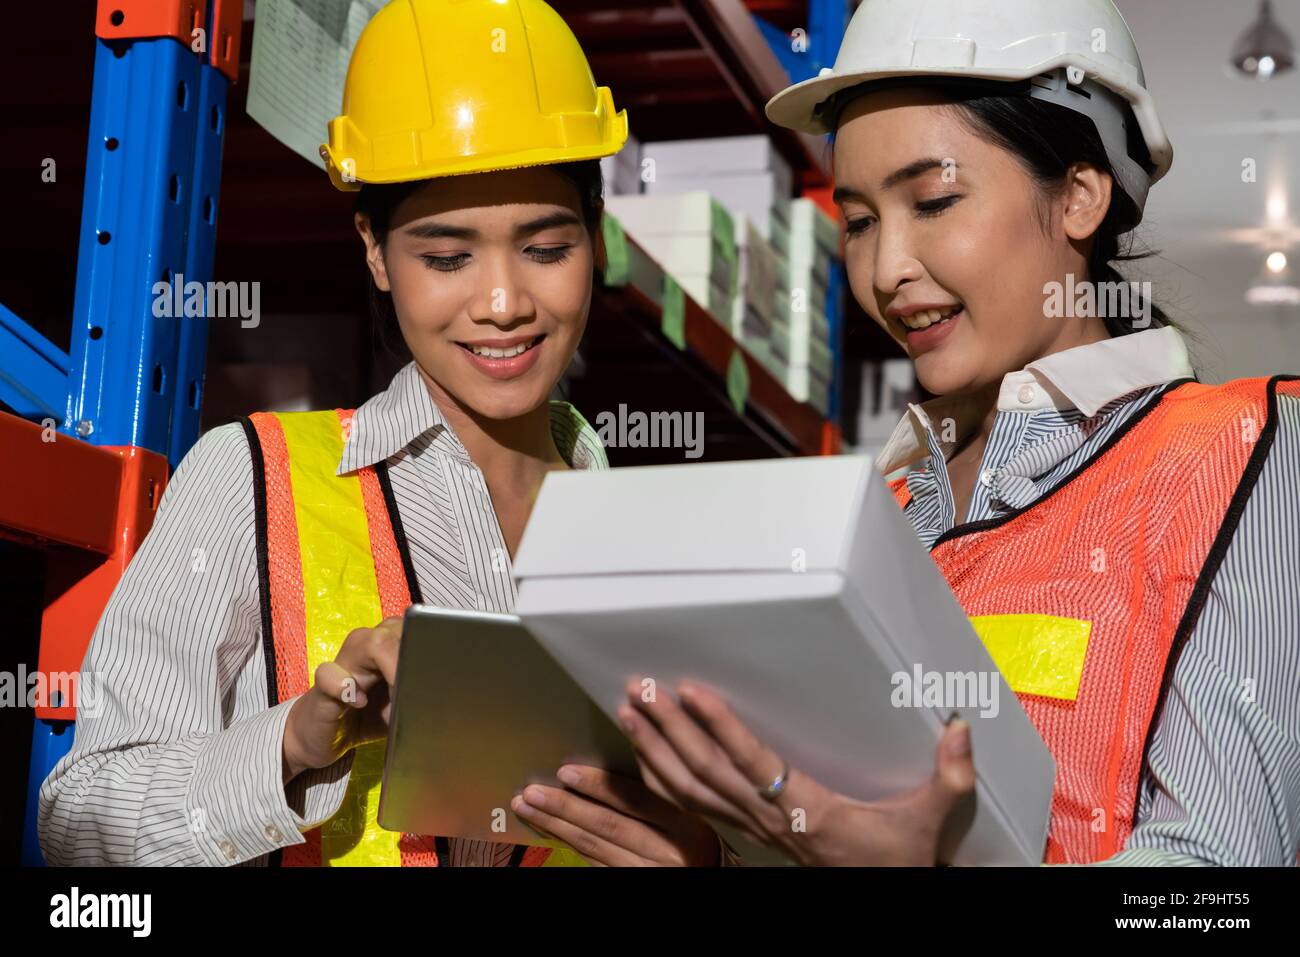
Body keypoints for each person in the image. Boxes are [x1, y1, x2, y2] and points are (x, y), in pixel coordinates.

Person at [602, 0, 1300, 866]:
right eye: (858, 222)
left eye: (933, 201)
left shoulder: (1237, 454)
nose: (886, 268)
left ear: (1081, 194)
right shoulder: (879, 512)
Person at [38, 0, 722, 868]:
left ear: (595, 236)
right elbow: (79, 820)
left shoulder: (661, 546)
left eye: (547, 248)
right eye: (446, 258)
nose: (504, 302)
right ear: (374, 250)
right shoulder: (255, 476)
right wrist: (292, 741)